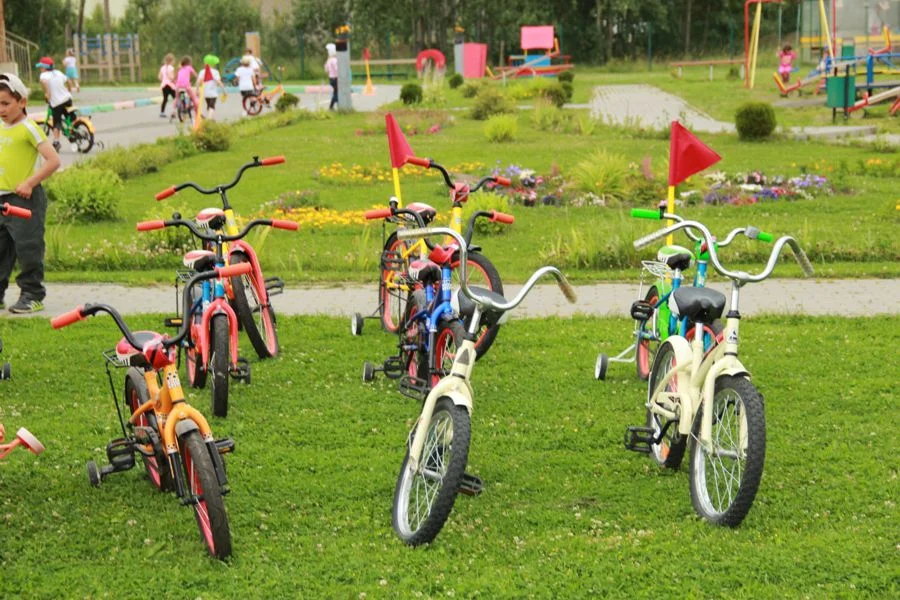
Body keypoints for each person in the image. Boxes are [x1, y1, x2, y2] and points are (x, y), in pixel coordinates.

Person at [0, 73, 61, 314]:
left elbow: (53, 161)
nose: (1, 109)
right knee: (1, 250)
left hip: (24, 200)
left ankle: (32, 295)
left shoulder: (29, 128)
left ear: (22, 102)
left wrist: (29, 183)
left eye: (6, 103)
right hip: (2, 199)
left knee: (28, 247)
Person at [36, 57, 73, 153]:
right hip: (67, 99)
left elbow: (44, 82)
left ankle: (56, 142)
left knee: (56, 122)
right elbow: (68, 81)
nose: (40, 69)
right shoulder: (58, 72)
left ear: (45, 67)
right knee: (69, 117)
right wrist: (69, 90)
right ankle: (73, 129)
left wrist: (47, 94)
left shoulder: (43, 75)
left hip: (57, 102)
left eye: (41, 67)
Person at [196, 54, 223, 120]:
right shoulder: (215, 72)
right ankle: (209, 119)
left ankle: (212, 118)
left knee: (209, 105)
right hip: (213, 92)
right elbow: (218, 82)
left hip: (205, 92)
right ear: (213, 64)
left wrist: (197, 90)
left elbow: (198, 82)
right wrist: (224, 90)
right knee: (212, 106)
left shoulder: (202, 71)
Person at [174, 56, 199, 120]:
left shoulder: (179, 68)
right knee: (193, 97)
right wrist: (199, 79)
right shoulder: (189, 68)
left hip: (178, 86)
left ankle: (175, 109)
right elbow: (195, 75)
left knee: (178, 97)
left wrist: (174, 81)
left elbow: (175, 77)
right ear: (189, 62)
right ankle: (197, 110)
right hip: (186, 86)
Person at [159, 53, 176, 119]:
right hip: (170, 85)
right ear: (171, 61)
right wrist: (174, 81)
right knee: (175, 98)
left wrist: (164, 80)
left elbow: (160, 77)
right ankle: (174, 112)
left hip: (164, 85)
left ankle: (162, 112)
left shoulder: (162, 68)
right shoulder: (171, 68)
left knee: (165, 99)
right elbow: (171, 77)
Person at [325, 43, 338, 110]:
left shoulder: (328, 60)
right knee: (337, 93)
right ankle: (332, 106)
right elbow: (337, 69)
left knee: (336, 92)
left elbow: (326, 69)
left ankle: (331, 107)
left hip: (331, 79)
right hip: (336, 79)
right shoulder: (334, 60)